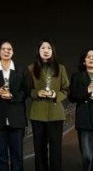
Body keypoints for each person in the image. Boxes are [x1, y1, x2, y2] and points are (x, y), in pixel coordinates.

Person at [0, 39, 30, 171]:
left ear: (13, 52)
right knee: (0, 156)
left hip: (17, 119)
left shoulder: (22, 70)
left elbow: (26, 91)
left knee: (17, 156)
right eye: (3, 49)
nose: (6, 51)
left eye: (9, 49)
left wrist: (13, 96)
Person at [28, 39, 69, 171]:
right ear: (38, 51)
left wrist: (55, 95)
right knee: (39, 150)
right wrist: (37, 93)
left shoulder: (60, 68)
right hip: (37, 114)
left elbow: (66, 89)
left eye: (49, 48)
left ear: (53, 51)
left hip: (56, 114)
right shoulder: (31, 69)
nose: (46, 50)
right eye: (43, 48)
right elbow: (27, 90)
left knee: (56, 149)